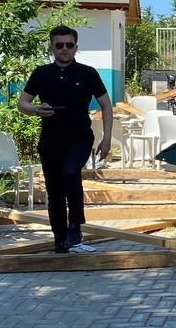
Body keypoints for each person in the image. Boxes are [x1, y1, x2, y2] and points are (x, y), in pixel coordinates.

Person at [18, 25, 113, 254]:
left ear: (76, 47)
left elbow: (106, 106)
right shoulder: (41, 73)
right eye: (59, 45)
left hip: (80, 138)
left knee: (70, 173)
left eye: (69, 45)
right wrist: (36, 109)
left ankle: (75, 227)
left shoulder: (88, 73)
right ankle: (60, 240)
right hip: (50, 141)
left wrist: (106, 139)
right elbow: (22, 103)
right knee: (55, 190)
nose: (64, 49)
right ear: (51, 47)